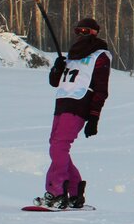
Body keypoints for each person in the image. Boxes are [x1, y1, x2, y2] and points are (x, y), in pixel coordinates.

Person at [35, 18, 112, 208]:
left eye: (86, 31)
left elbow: (101, 90)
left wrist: (94, 117)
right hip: (62, 104)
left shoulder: (100, 55)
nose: (81, 34)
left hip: (79, 104)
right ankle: (75, 192)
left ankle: (56, 192)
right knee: (56, 146)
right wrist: (57, 67)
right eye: (78, 31)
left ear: (94, 33)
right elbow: (55, 81)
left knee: (59, 147)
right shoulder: (71, 56)